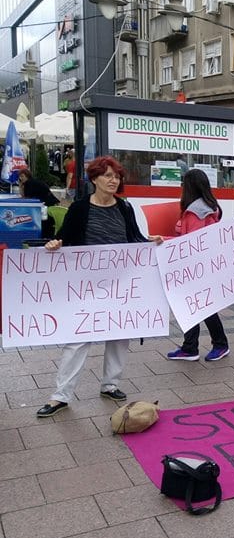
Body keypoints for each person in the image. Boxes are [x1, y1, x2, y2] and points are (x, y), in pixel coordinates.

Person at [36, 156, 164, 418]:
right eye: (107, 175)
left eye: (116, 176)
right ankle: (60, 395)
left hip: (119, 285)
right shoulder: (81, 208)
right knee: (78, 339)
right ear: (94, 179)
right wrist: (54, 245)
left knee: (118, 336)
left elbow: (133, 240)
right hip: (86, 286)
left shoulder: (125, 208)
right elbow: (65, 239)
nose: (113, 180)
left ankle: (110, 384)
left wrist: (149, 241)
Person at [166, 170, 231, 362]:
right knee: (197, 306)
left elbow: (190, 243)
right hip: (202, 266)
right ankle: (194, 346)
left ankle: (214, 345)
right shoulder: (207, 207)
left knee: (200, 307)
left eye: (183, 184)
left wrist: (164, 240)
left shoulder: (196, 212)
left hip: (195, 268)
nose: (181, 187)